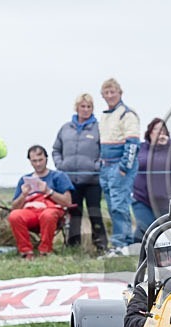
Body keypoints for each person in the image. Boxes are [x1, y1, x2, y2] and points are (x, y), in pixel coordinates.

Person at [52, 93, 107, 252]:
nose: (85, 109)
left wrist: (96, 167)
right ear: (77, 108)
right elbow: (56, 149)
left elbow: (104, 150)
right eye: (82, 106)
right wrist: (60, 165)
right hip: (70, 180)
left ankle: (100, 245)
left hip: (92, 180)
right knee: (74, 214)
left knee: (94, 212)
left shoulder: (98, 129)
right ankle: (73, 246)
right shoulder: (65, 128)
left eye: (89, 107)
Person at [124, 227, 171, 327]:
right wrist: (156, 324)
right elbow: (131, 322)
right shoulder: (146, 290)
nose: (168, 261)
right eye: (162, 257)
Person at [8, 145, 75, 259]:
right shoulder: (24, 179)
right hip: (31, 211)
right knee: (15, 216)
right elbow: (14, 207)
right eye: (34, 161)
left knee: (47, 215)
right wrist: (23, 195)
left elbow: (67, 202)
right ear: (30, 161)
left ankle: (45, 251)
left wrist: (48, 191)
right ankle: (26, 252)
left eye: (40, 160)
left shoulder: (58, 176)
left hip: (51, 210)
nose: (38, 164)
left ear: (46, 159)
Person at [98, 78, 140, 257]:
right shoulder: (105, 115)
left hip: (119, 165)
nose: (109, 96)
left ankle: (120, 244)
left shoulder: (127, 114)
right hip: (105, 166)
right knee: (111, 205)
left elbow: (132, 143)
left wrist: (124, 167)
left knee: (119, 205)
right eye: (106, 93)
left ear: (120, 93)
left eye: (112, 92)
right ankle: (125, 244)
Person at [133, 118, 171, 242]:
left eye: (163, 130)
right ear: (149, 132)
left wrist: (169, 143)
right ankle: (137, 253)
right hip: (141, 198)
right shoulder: (141, 147)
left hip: (166, 200)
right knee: (145, 228)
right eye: (156, 129)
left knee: (166, 234)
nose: (159, 132)